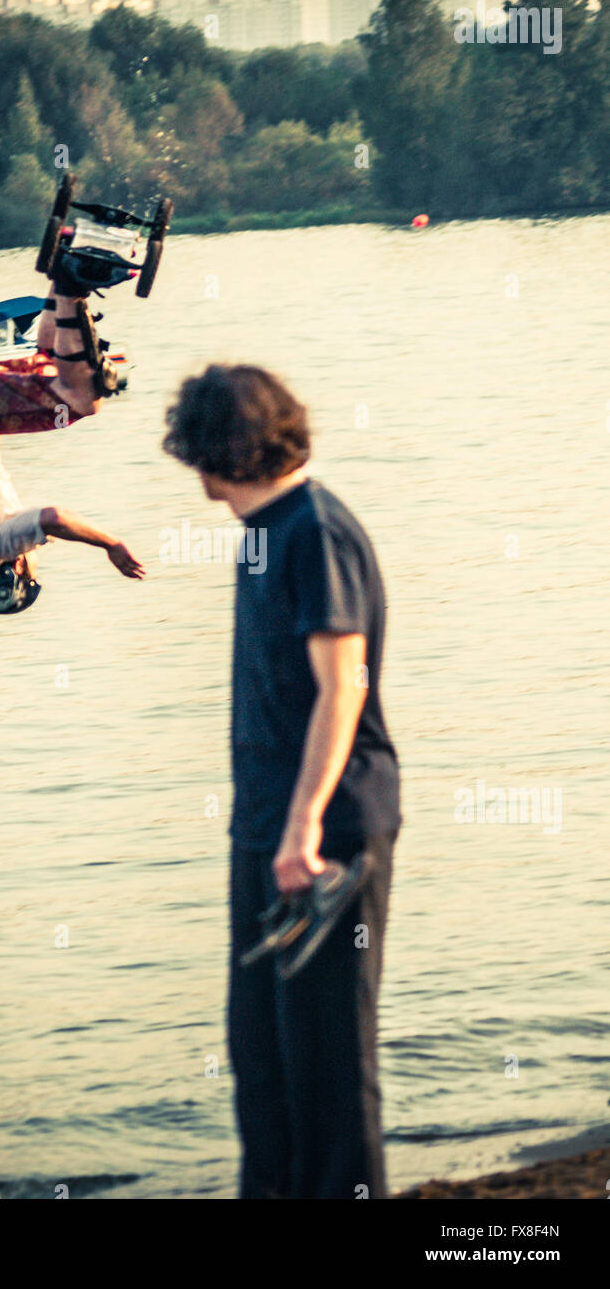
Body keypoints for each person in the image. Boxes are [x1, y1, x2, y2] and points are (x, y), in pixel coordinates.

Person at [163, 364, 402, 1199]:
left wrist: (301, 830)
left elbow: (345, 688)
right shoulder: (263, 529)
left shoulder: (315, 530)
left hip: (327, 834)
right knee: (260, 1052)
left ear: (210, 451)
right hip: (265, 826)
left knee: (328, 1056)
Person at [0, 285, 144, 614]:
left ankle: (74, 279)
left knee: (84, 400)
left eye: (33, 566)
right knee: (52, 370)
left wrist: (110, 544)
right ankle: (63, 281)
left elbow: (53, 518)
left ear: (19, 569)